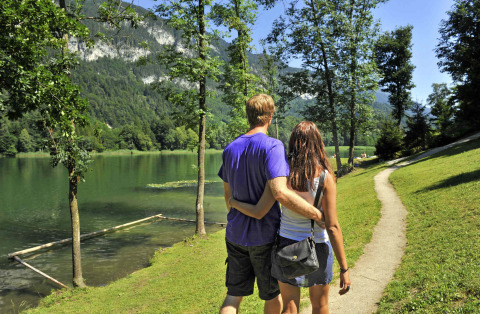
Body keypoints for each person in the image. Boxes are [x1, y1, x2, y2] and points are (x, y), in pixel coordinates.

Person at [229, 121, 351, 314]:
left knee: (290, 306)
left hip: (286, 244)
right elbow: (333, 226)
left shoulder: (283, 174)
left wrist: (234, 202)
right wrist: (344, 268)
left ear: (293, 142)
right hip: (317, 245)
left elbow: (267, 202)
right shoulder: (325, 177)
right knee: (320, 305)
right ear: (318, 143)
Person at [218, 95, 325, 314]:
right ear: (270, 116)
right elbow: (280, 193)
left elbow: (228, 199)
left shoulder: (229, 149)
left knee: (233, 297)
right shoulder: (272, 146)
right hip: (264, 237)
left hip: (235, 235)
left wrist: (237, 205)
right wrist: (317, 214)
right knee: (273, 295)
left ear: (248, 116)